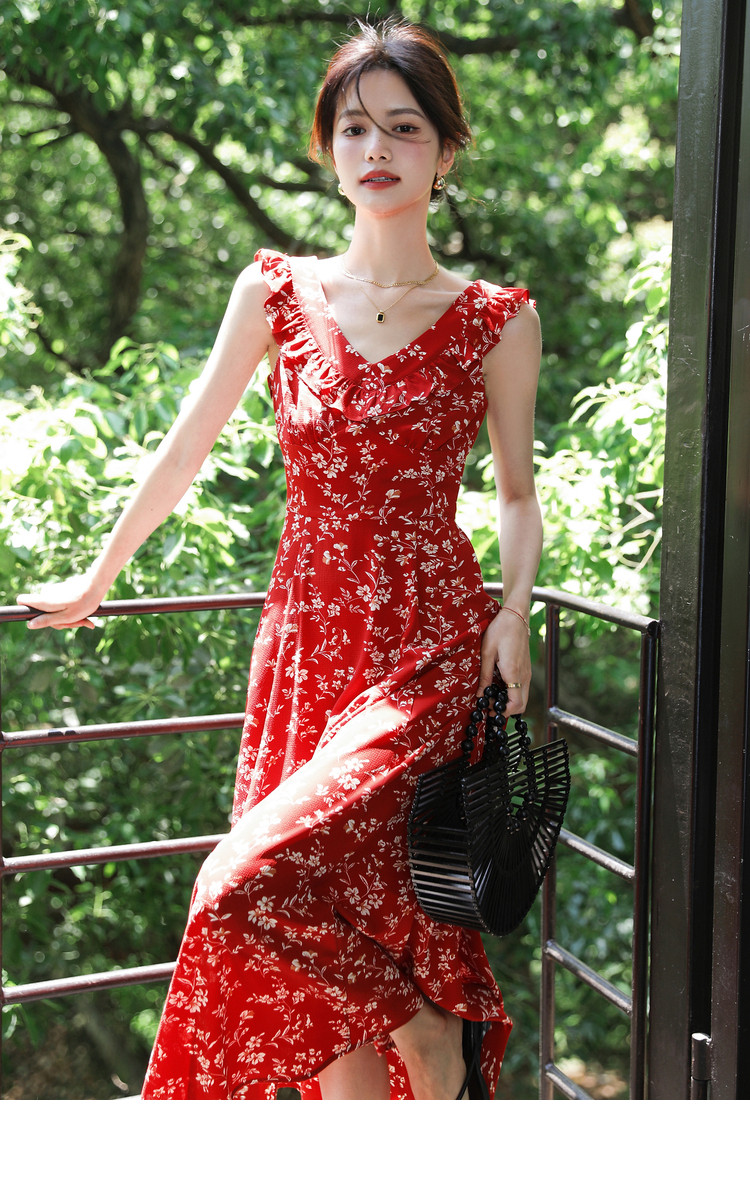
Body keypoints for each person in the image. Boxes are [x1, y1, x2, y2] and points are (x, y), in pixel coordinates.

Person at [17, 19, 542, 1100]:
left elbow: (516, 494)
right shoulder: (275, 294)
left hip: (428, 652)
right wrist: (98, 576)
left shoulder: (495, 319)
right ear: (328, 149)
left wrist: (514, 611)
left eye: (404, 127)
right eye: (354, 127)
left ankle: (435, 1049)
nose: (376, 148)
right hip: (306, 652)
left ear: (447, 150)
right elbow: (183, 450)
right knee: (314, 950)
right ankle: (416, 1056)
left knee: (248, 882)